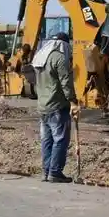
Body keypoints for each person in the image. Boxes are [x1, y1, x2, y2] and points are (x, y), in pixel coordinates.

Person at [32, 32, 80, 183]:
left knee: (47, 140)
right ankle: (55, 172)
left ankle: (46, 171)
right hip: (57, 106)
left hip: (43, 107)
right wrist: (73, 101)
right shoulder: (59, 58)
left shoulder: (40, 57)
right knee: (60, 139)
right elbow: (66, 82)